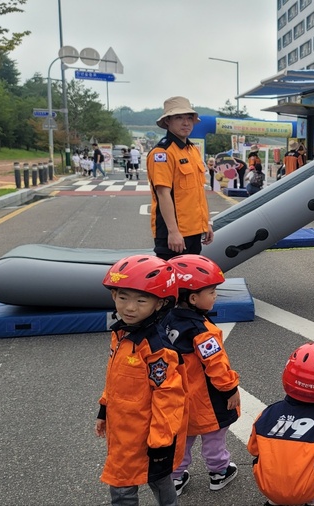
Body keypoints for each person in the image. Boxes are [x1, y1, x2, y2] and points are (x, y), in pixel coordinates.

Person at [95, 255, 186, 506]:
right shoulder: (122, 333)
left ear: (159, 305)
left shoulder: (157, 349)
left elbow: (169, 397)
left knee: (149, 482)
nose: (130, 307)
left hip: (147, 434)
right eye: (123, 297)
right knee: (134, 483)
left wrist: (160, 443)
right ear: (113, 295)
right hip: (123, 429)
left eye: (141, 300)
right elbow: (115, 379)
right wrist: (104, 408)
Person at [164, 255, 241, 496]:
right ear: (194, 298)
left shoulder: (166, 320)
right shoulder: (203, 331)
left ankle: (175, 478)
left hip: (178, 397)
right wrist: (230, 390)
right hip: (207, 400)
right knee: (214, 437)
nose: (216, 295)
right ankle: (219, 472)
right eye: (212, 291)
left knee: (182, 439)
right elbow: (216, 366)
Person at [249, 343, 314, 506]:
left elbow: (253, 449)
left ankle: (274, 499)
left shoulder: (267, 413)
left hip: (268, 488)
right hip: (306, 491)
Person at [147, 96, 214, 260]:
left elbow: (197, 192)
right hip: (175, 234)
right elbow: (163, 194)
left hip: (194, 230)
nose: (186, 123)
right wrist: (173, 232)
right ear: (168, 121)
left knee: (191, 280)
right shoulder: (162, 153)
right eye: (179, 118)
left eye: (189, 118)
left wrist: (206, 223)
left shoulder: (192, 150)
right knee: (172, 282)